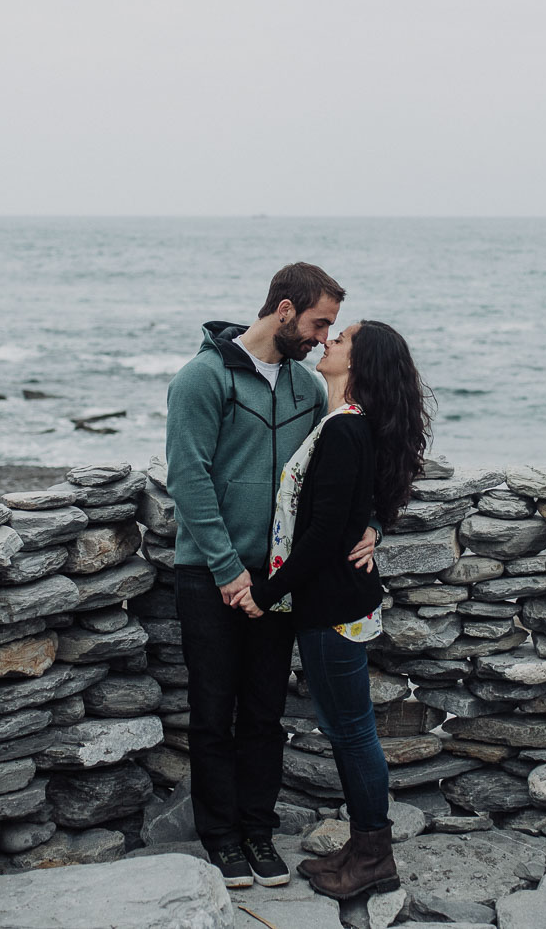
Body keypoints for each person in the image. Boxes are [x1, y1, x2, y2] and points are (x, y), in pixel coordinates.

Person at [165, 262, 379, 889]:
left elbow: (337, 476)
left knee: (264, 709)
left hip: (282, 579)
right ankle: (221, 839)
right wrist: (229, 571)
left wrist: (371, 527)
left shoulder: (307, 390)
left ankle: (258, 833)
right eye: (318, 323)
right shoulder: (201, 379)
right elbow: (190, 478)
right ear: (284, 310)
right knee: (212, 710)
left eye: (331, 328)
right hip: (208, 574)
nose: (322, 337)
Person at [234, 320, 432, 901]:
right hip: (340, 600)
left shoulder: (345, 431)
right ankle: (364, 847)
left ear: (359, 363)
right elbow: (365, 504)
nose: (327, 342)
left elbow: (320, 538)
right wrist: (372, 524)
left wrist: (263, 594)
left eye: (339, 338)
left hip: (333, 606)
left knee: (351, 733)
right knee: (350, 729)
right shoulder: (348, 424)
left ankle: (374, 857)